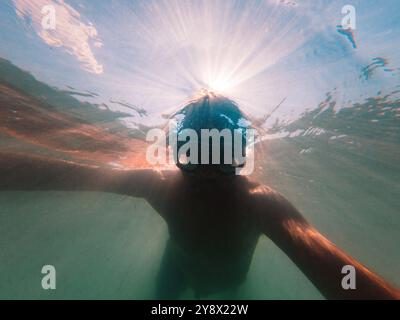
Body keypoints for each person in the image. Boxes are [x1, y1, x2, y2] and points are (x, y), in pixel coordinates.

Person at [0, 91, 399, 300]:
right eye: (195, 154)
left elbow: (333, 266)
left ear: (239, 154)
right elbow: (64, 173)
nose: (207, 172)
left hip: (197, 274)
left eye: (219, 155)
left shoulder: (260, 202)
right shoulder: (250, 203)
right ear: (178, 152)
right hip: (175, 269)